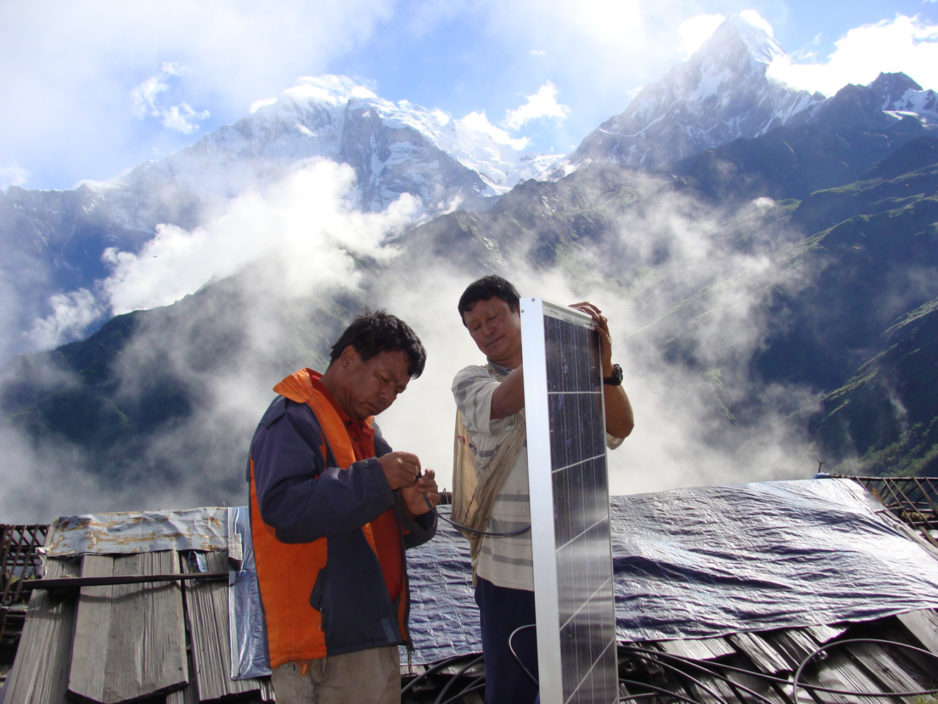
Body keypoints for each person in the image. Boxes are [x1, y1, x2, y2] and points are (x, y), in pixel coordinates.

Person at [451, 275, 634, 704]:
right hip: (507, 574)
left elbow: (620, 426)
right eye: (474, 326)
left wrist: (602, 368)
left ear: (519, 313)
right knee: (513, 688)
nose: (486, 331)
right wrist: (558, 340)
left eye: (494, 317)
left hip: (573, 562)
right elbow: (504, 402)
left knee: (576, 683)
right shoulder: (471, 380)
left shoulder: (574, 370)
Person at [247, 310, 440, 704]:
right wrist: (376, 478)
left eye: (398, 390)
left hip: (371, 629)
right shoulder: (292, 418)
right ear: (348, 358)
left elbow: (373, 520)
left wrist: (413, 509)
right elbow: (285, 509)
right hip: (326, 639)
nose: (387, 397)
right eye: (384, 380)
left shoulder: (364, 428)